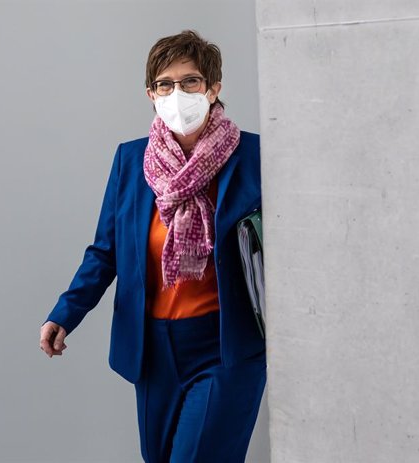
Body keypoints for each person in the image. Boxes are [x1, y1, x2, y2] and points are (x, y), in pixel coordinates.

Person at [39, 30, 266, 463]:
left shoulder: (253, 156)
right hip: (153, 350)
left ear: (214, 88)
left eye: (191, 82)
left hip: (225, 345)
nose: (177, 93)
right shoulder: (132, 160)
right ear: (150, 93)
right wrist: (65, 314)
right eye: (165, 84)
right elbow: (107, 251)